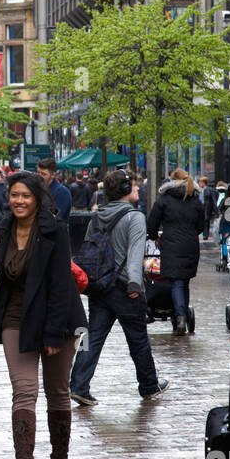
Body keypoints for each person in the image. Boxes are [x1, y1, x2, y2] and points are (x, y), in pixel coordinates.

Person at [0, 171, 88, 459]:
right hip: (16, 317)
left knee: (57, 391)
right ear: (7, 198)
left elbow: (59, 285)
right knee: (24, 390)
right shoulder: (3, 231)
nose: (20, 201)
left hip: (58, 319)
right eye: (15, 195)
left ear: (38, 198)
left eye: (26, 196)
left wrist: (53, 334)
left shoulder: (55, 231)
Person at [68, 169, 167, 408]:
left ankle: (78, 386)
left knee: (92, 336)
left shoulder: (97, 216)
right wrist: (135, 284)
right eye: (133, 186)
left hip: (100, 286)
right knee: (138, 339)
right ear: (125, 190)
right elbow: (135, 253)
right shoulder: (135, 217)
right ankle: (149, 386)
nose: (137, 189)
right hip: (125, 287)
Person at [146, 168, 207, 336]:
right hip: (190, 245)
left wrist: (153, 236)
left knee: (176, 282)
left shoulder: (164, 199)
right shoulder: (195, 200)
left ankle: (180, 316)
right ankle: (183, 315)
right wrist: (191, 234)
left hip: (171, 244)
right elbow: (201, 224)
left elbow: (152, 222)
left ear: (171, 180)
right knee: (184, 281)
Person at [37, 158, 71, 225]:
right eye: (38, 172)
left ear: (52, 175)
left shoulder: (62, 192)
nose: (39, 176)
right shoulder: (39, 189)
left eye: (43, 174)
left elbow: (55, 218)